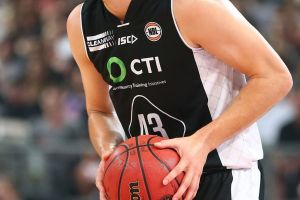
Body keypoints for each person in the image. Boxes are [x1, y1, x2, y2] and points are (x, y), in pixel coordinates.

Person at [67, 0, 293, 199]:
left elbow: (275, 77)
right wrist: (113, 155)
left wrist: (201, 142)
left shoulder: (189, 5)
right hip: (155, 182)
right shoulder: (81, 23)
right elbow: (99, 111)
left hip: (221, 173)